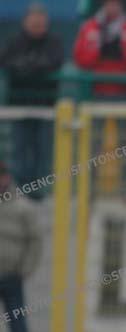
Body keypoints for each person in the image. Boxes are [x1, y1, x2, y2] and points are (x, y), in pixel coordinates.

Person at [0, 3, 64, 199]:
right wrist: (30, 66)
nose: (37, 23)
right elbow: (7, 62)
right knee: (19, 153)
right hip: (19, 107)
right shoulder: (14, 41)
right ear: (25, 21)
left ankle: (39, 195)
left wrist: (29, 67)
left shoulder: (54, 42)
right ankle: (21, 194)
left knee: (42, 153)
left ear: (46, 22)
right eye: (33, 20)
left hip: (45, 108)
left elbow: (54, 62)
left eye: (40, 20)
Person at [0, 163, 43, 332]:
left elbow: (35, 241)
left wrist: (25, 270)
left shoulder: (23, 207)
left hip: (11, 278)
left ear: (6, 178)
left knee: (19, 329)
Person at [72, 0, 126, 97]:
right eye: (109, 3)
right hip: (95, 86)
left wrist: (125, 45)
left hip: (125, 87)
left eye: (116, 3)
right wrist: (97, 47)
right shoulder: (90, 26)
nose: (112, 7)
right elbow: (80, 59)